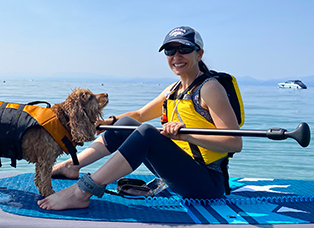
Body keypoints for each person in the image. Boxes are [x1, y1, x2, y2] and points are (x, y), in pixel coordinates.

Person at [38, 26, 243, 210]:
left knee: (147, 134)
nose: (176, 56)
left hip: (206, 183)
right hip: (179, 171)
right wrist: (109, 121)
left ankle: (81, 192)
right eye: (170, 51)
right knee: (126, 124)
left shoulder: (210, 88)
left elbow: (233, 142)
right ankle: (72, 165)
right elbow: (140, 115)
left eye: (184, 49)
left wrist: (185, 136)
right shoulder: (173, 90)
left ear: (199, 54)